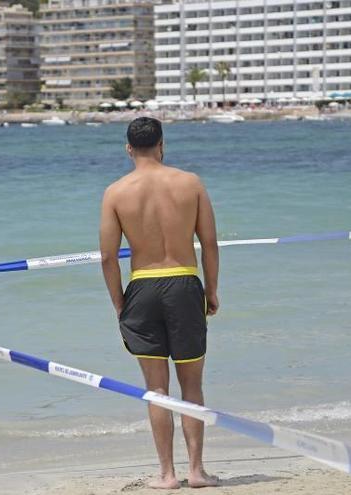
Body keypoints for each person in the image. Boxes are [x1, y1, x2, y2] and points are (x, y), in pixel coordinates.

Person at [99, 117, 220, 489]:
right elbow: (210, 244)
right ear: (162, 145)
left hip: (143, 288)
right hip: (185, 283)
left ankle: (167, 475)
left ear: (129, 149)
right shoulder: (190, 183)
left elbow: (107, 258)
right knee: (192, 386)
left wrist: (121, 304)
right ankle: (196, 471)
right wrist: (211, 290)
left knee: (157, 389)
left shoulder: (116, 192)